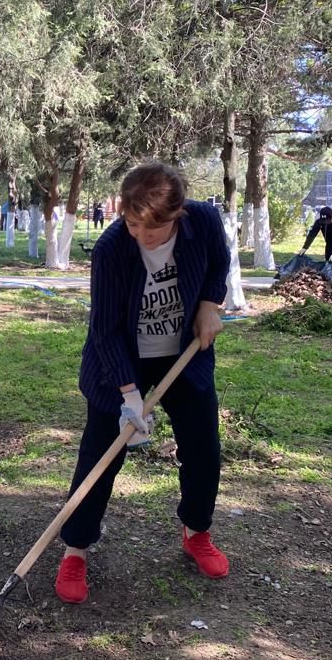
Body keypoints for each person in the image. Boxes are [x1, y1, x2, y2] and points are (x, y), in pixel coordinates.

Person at [55, 163, 229, 605]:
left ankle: (196, 531)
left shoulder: (204, 221)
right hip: (121, 360)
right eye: (133, 224)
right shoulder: (112, 248)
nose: (142, 236)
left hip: (182, 355)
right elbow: (105, 330)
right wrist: (129, 396)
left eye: (152, 228)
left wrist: (210, 304)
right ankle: (75, 549)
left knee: (203, 448)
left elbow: (218, 262)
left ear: (178, 215)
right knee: (101, 455)